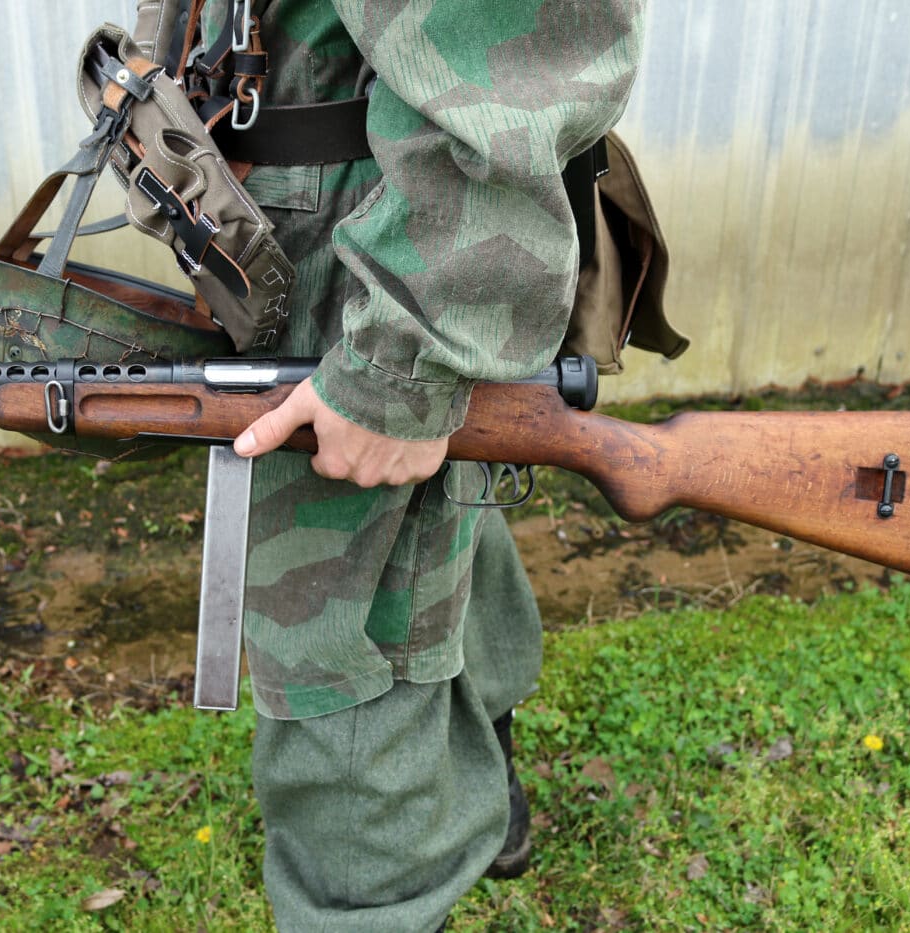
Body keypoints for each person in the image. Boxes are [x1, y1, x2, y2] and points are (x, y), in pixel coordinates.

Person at [212, 2, 645, 928]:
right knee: (433, 534)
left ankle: (378, 896)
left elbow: (511, 42)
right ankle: (484, 782)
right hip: (369, 241)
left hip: (373, 263)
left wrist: (397, 367)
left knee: (341, 643)